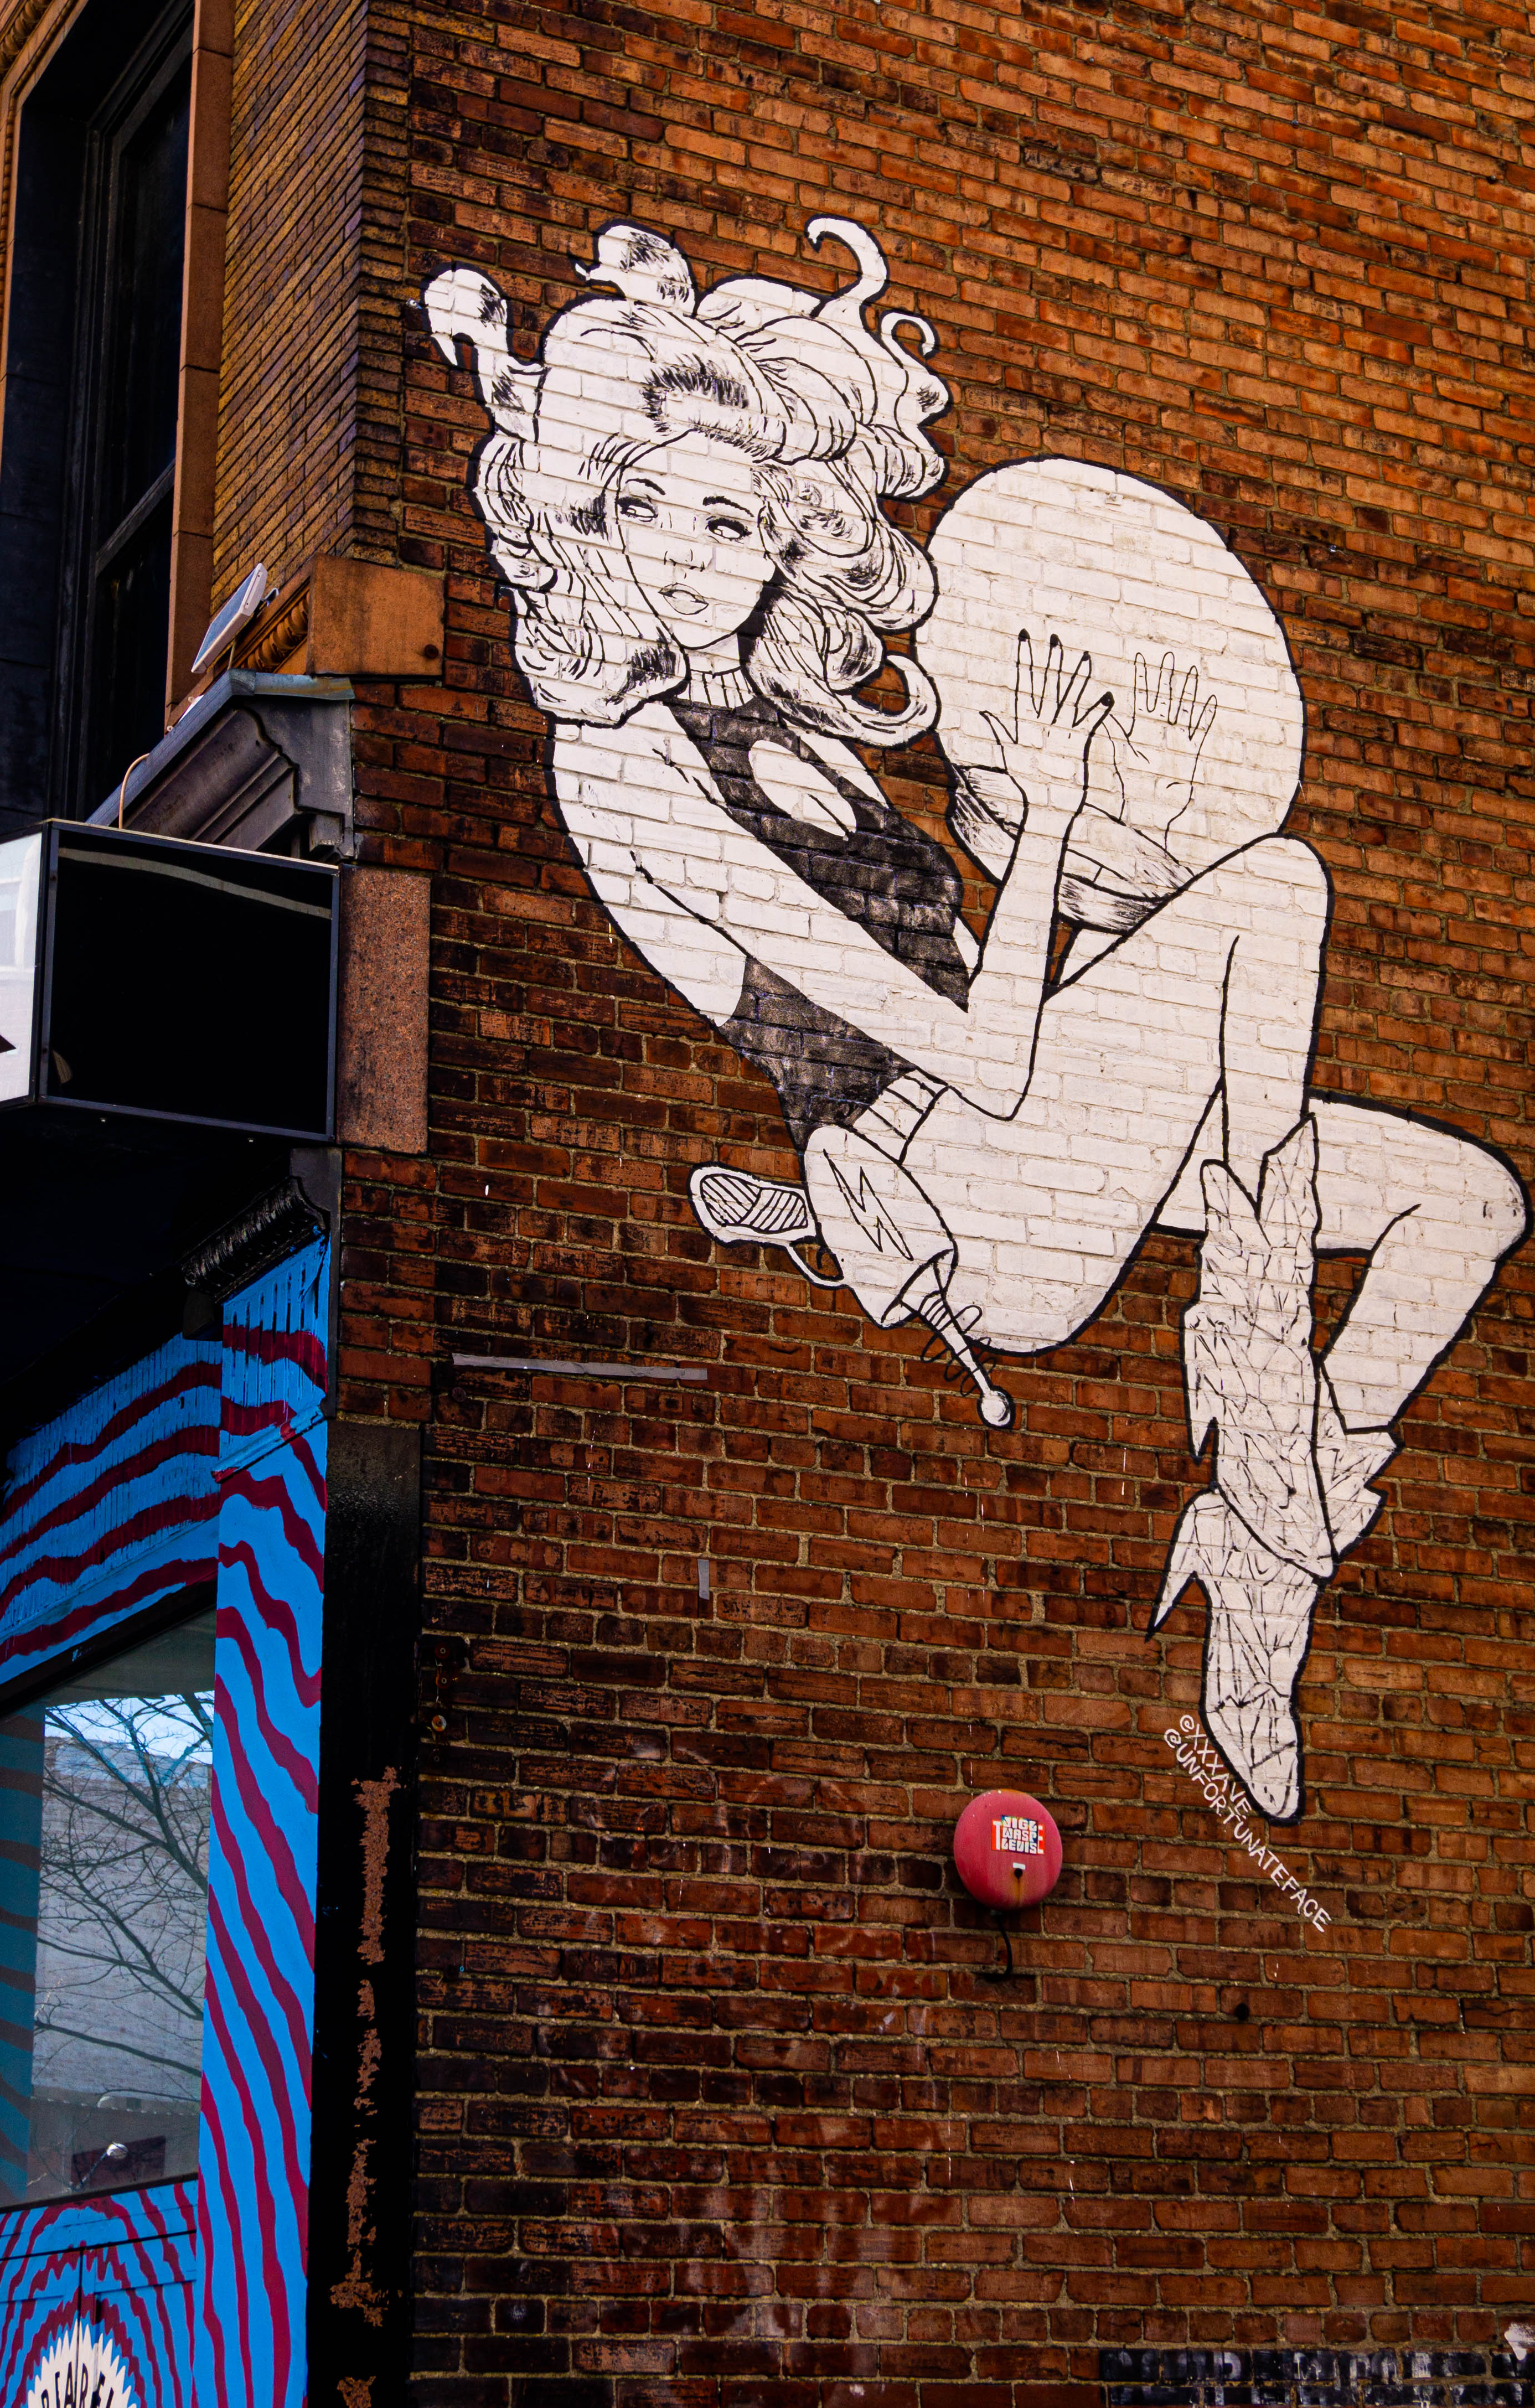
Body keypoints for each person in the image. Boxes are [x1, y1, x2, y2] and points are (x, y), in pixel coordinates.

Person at [425, 216, 1524, 1821]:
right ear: (582, 516)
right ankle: (1264, 1433)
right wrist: (1056, 826)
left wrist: (1077, 874)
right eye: (641, 505)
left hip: (1025, 1149)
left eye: (729, 517)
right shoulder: (622, 766)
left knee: (1466, 1203)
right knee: (1281, 888)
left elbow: (999, 992)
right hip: (948, 1187)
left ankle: (1262, 1550)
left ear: (792, 536)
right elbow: (981, 1053)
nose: (683, 551)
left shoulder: (811, 733)